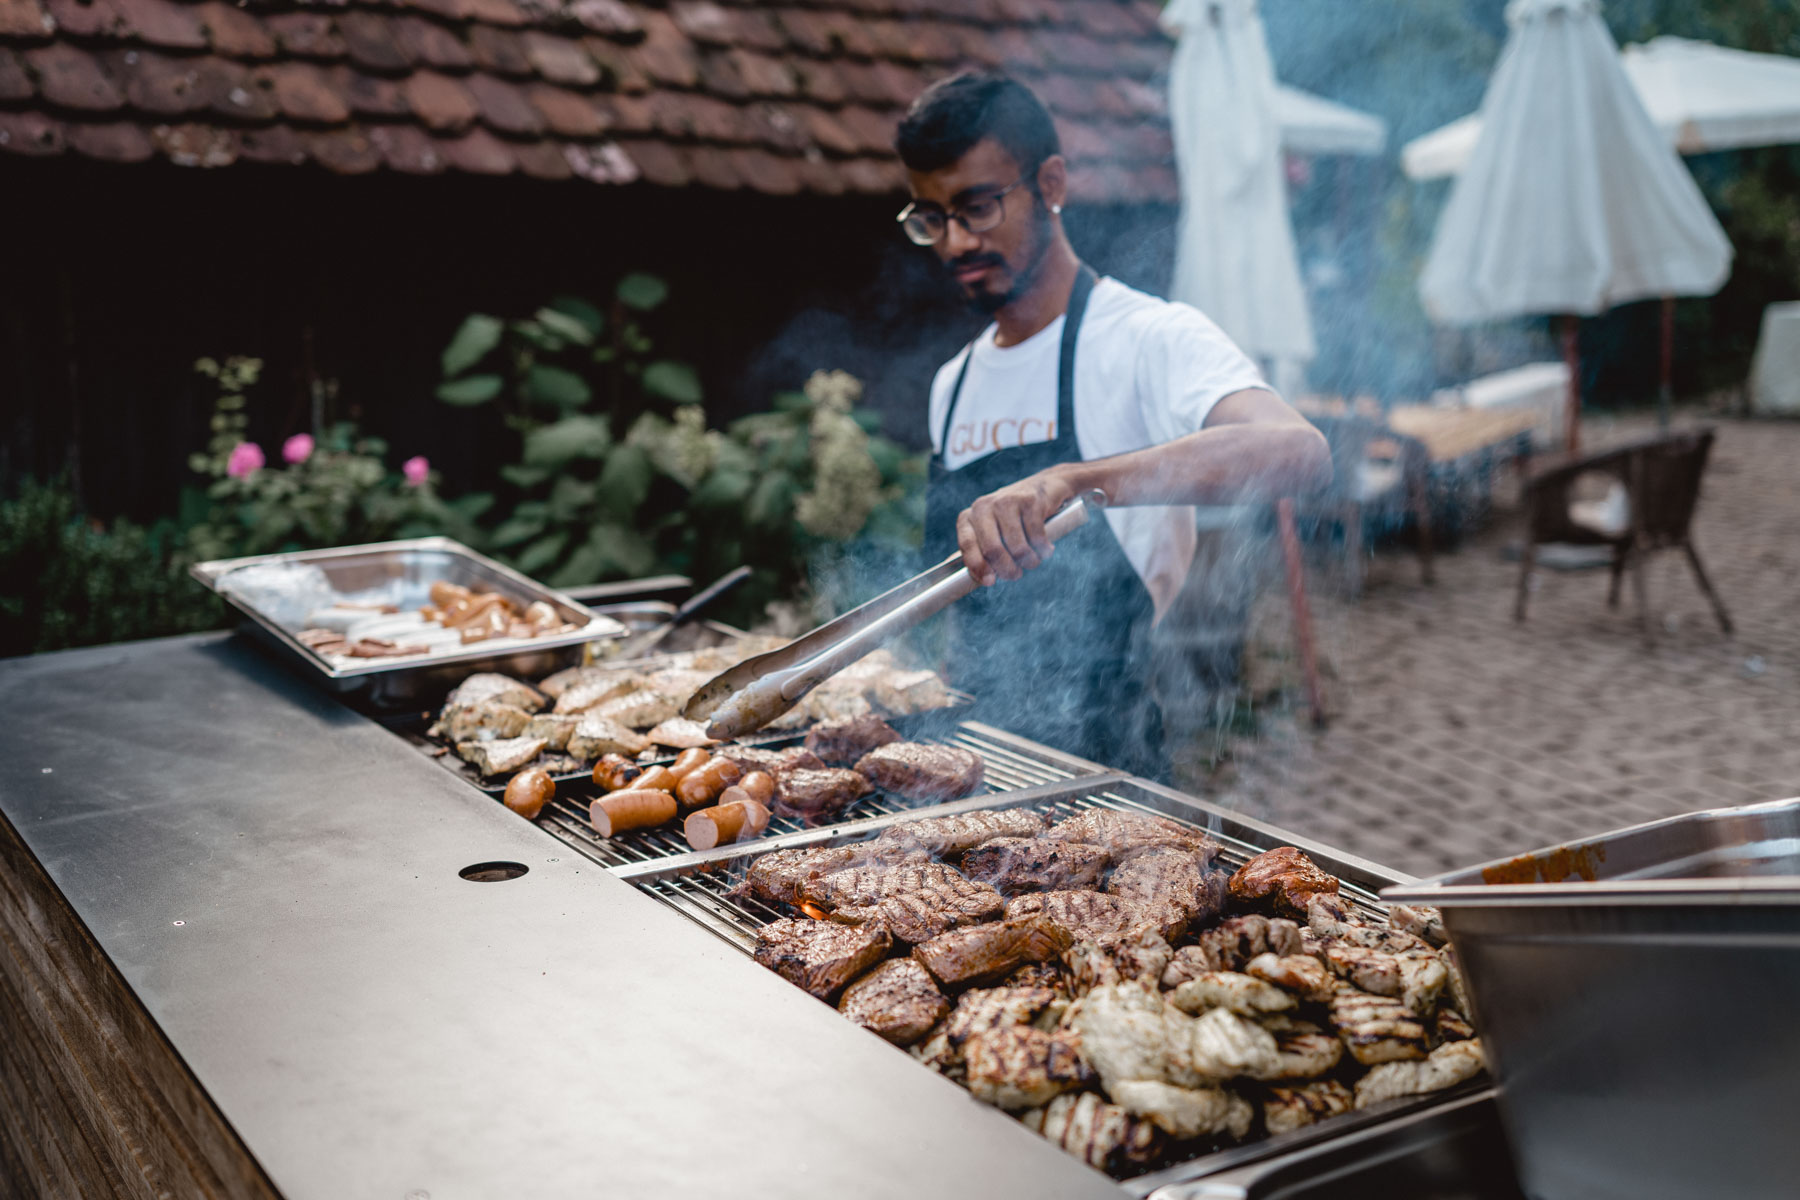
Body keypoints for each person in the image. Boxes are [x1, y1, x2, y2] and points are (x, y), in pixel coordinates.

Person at [893, 71, 1330, 777]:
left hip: (1102, 769)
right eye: (930, 218)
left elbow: (1299, 452)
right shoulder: (955, 382)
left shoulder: (1147, 338)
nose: (953, 242)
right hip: (969, 760)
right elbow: (964, 613)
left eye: (977, 207)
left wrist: (1078, 478)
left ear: (1053, 184)